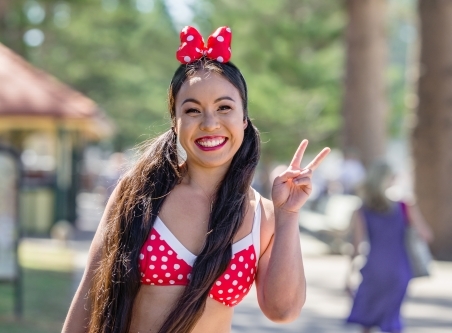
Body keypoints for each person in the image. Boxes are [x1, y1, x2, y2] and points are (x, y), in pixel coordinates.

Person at [62, 25, 330, 333]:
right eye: (192, 110)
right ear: (175, 122)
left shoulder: (264, 216)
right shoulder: (138, 194)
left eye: (224, 108)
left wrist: (288, 215)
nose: (210, 123)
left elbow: (282, 311)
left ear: (244, 119)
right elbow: (89, 293)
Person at [346, 160, 433, 333]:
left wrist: (348, 275)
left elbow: (356, 246)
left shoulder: (362, 209)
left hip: (374, 269)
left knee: (367, 320)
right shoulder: (404, 206)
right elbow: (426, 235)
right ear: (388, 179)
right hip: (399, 267)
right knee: (392, 320)